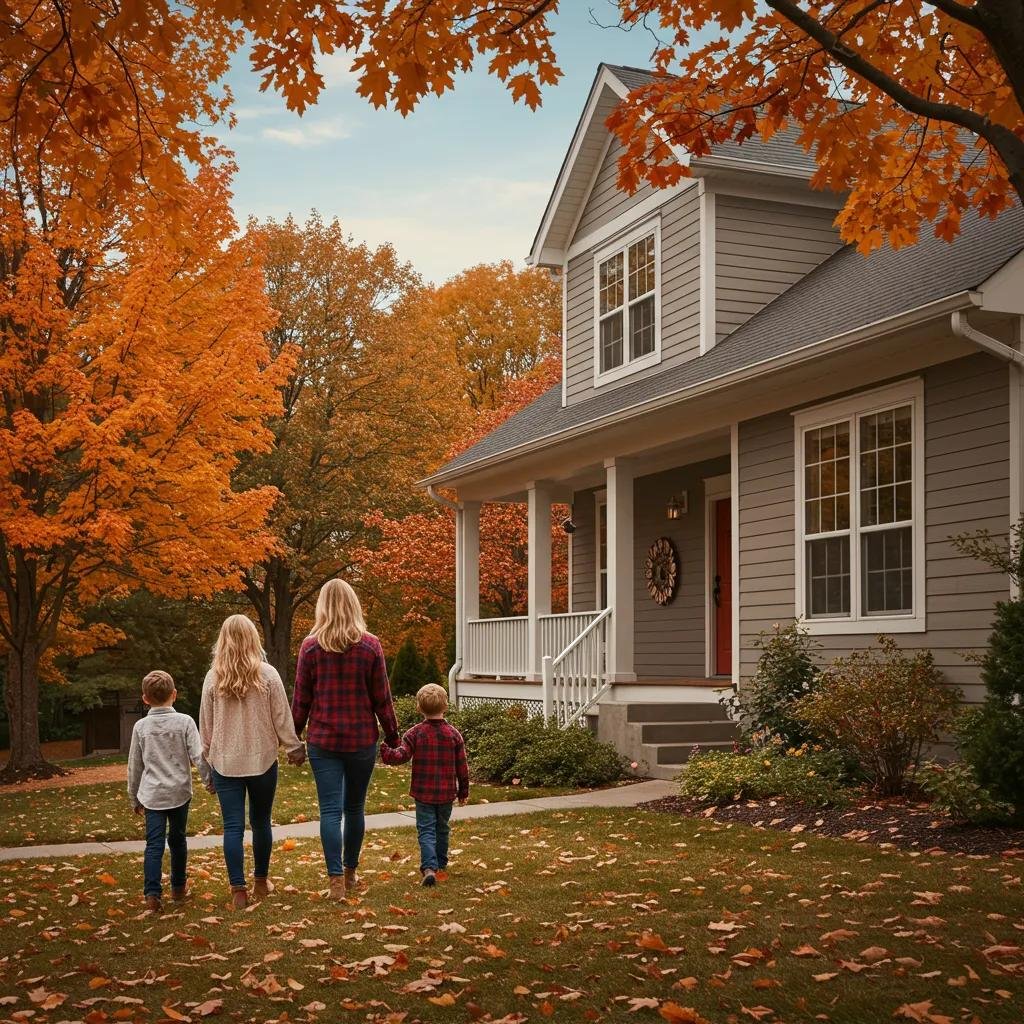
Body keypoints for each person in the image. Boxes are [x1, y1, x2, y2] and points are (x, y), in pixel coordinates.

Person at [292, 578, 400, 901]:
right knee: (354, 808)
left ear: (322, 607)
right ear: (353, 605)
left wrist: (292, 737)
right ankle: (350, 872)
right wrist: (393, 735)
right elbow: (382, 698)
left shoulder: (310, 647)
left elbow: (301, 700)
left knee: (329, 810)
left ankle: (335, 880)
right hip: (361, 739)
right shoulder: (370, 646)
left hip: (323, 740)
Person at [199, 615, 305, 909]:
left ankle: (238, 890)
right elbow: (282, 717)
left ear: (223, 641)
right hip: (263, 761)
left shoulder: (213, 678)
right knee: (261, 822)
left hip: (225, 763)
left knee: (232, 826)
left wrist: (207, 767)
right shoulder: (267, 675)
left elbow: (205, 729)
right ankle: (260, 880)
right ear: (253, 639)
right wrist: (294, 747)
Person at [127, 670, 212, 913]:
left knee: (154, 844)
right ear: (174, 694)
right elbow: (198, 756)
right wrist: (209, 780)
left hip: (152, 795)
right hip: (179, 792)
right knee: (177, 840)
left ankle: (152, 894)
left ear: (145, 698)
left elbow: (135, 765)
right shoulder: (185, 722)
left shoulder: (141, 727)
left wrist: (134, 797)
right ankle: (178, 887)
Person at [380, 683, 469, 888]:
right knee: (442, 827)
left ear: (419, 708)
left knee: (426, 829)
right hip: (446, 793)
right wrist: (463, 791)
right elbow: (462, 766)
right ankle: (441, 862)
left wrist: (386, 751)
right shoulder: (453, 734)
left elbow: (401, 755)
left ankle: (429, 867)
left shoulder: (415, 733)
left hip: (423, 793)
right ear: (445, 706)